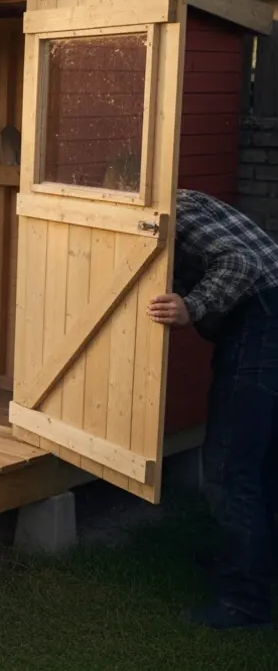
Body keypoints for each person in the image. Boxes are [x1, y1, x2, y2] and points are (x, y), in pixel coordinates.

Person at [149, 187, 278, 630]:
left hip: (263, 322)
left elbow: (242, 264)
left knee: (229, 466)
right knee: (264, 461)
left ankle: (245, 602)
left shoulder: (171, 212)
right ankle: (251, 563)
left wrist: (192, 307)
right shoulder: (188, 199)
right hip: (267, 315)